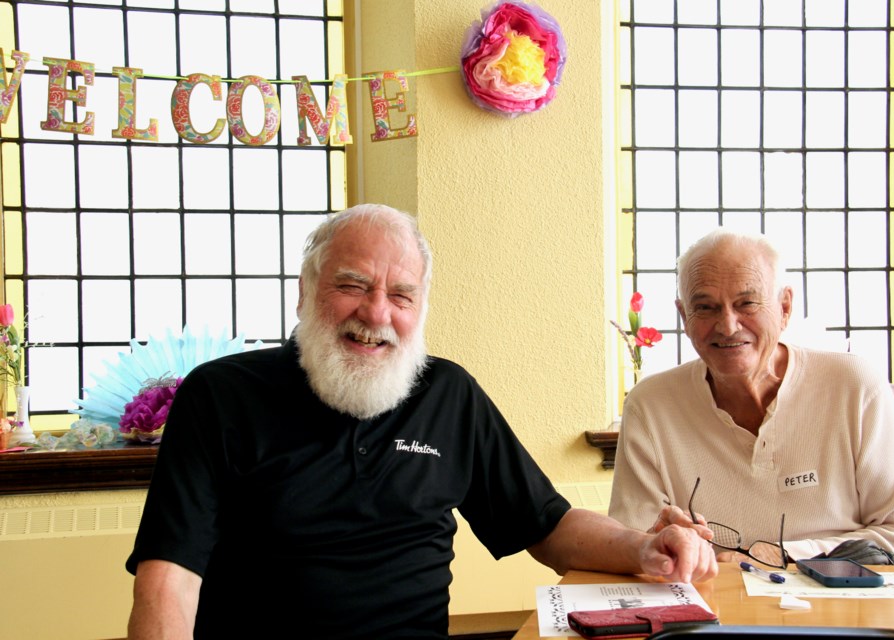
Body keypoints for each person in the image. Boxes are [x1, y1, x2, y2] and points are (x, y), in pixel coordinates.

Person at [126, 204, 717, 640]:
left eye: (401, 296)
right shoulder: (220, 397)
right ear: (304, 292)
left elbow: (549, 525)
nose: (376, 313)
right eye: (352, 285)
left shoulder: (447, 394)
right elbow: (168, 580)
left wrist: (643, 547)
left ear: (420, 310)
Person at [609, 228, 894, 566]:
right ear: (684, 317)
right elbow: (634, 548)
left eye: (746, 303)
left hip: (843, 609)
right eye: (705, 308)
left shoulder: (854, 386)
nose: (728, 325)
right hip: (714, 610)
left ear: (784, 308)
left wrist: (778, 556)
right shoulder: (650, 405)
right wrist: (661, 546)